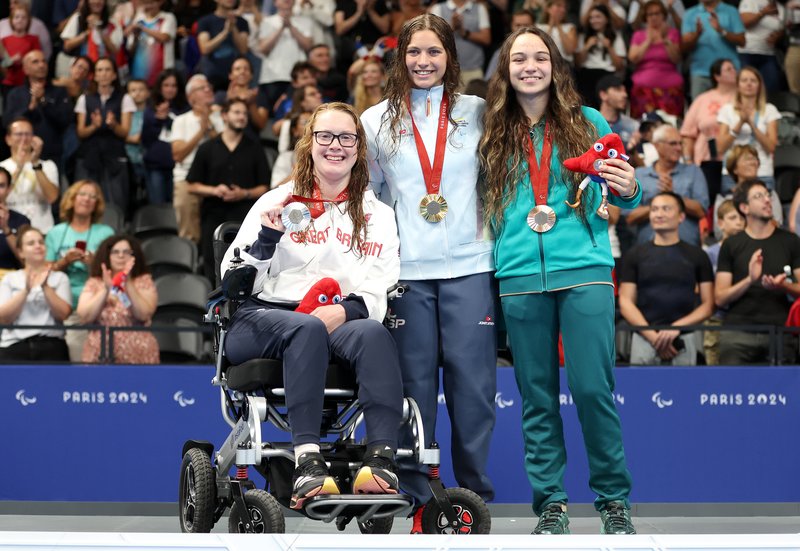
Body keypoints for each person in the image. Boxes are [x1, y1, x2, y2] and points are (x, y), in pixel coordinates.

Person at [479, 26, 639, 535]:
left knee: (593, 390)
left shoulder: (586, 120)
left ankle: (614, 502)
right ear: (505, 68)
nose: (530, 66)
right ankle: (551, 505)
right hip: (520, 276)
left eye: (540, 57)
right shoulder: (491, 131)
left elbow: (623, 186)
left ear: (555, 66)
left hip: (585, 270)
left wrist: (631, 186)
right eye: (519, 57)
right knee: (538, 398)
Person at [221, 102, 403, 510]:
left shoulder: (379, 215)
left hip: (339, 315)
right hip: (265, 317)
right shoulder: (279, 201)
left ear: (359, 149)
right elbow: (232, 278)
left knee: (373, 332)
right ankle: (307, 461)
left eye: (346, 137)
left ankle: (380, 461)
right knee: (307, 328)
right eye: (325, 136)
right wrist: (267, 238)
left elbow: (384, 280)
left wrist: (349, 310)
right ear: (309, 143)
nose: (335, 145)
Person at [360, 14, 496, 532]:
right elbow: (368, 196)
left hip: (470, 266)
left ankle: (469, 498)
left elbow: (496, 181)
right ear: (400, 57)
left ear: (450, 58)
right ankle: (418, 500)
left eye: (434, 52)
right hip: (407, 272)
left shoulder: (477, 112)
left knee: (475, 388)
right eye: (414, 52)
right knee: (412, 388)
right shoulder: (375, 121)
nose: (423, 62)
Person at [619, 192, 714, 365]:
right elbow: (625, 301)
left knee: (686, 391)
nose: (659, 214)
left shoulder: (698, 255)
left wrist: (676, 328)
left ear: (681, 217)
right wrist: (653, 336)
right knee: (640, 391)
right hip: (644, 339)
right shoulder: (635, 254)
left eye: (666, 209)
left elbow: (708, 305)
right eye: (654, 209)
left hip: (685, 338)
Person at [715, 179, 800, 364]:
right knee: (731, 389)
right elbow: (720, 297)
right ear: (744, 208)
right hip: (738, 330)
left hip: (780, 328)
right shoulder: (731, 245)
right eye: (758, 196)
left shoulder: (790, 241)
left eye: (767, 195)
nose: (767, 200)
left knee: (785, 389)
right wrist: (749, 279)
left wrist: (783, 286)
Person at [186, 98, 270, 281]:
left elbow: (264, 187)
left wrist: (244, 193)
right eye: (237, 112)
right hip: (213, 214)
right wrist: (214, 190)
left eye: (245, 114)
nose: (242, 117)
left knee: (245, 260)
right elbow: (191, 185)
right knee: (211, 260)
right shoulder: (207, 148)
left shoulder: (255, 148)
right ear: (224, 115)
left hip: (245, 215)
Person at [46, 180, 115, 361]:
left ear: (97, 204)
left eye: (93, 197)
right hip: (64, 306)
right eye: (83, 194)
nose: (87, 199)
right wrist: (65, 261)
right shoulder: (56, 232)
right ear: (72, 199)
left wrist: (93, 264)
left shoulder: (105, 233)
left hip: (97, 306)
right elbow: (44, 272)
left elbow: (114, 273)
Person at [77, 233, 159, 364]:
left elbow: (143, 314)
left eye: (126, 252)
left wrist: (128, 283)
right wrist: (105, 290)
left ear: (134, 256)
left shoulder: (143, 281)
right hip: (99, 355)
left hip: (139, 356)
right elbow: (85, 316)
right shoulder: (95, 283)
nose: (121, 256)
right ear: (107, 256)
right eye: (115, 252)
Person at [624, 124, 709, 246]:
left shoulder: (693, 172)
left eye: (681, 143)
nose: (679, 148)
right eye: (673, 144)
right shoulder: (640, 175)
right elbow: (629, 217)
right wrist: (659, 204)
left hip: (687, 249)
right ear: (657, 146)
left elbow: (701, 211)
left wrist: (674, 195)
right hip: (647, 250)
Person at [0, 225, 72, 361]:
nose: (38, 246)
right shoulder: (10, 279)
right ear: (20, 252)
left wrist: (45, 287)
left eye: (41, 242)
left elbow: (63, 314)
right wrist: (26, 291)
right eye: (31, 243)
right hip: (15, 346)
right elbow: (4, 318)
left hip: (52, 345)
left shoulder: (60, 278)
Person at [167, 74, 224, 242]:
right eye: (202, 88)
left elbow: (224, 150)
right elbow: (177, 155)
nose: (208, 90)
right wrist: (200, 132)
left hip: (214, 179)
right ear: (191, 97)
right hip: (186, 178)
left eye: (209, 87)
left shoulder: (221, 118)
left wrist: (209, 124)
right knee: (188, 233)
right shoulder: (181, 120)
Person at [74, 56, 134, 216]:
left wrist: (114, 125)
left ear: (114, 75)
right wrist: (94, 126)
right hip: (89, 158)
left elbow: (125, 132)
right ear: (95, 75)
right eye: (100, 70)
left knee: (116, 204)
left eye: (108, 70)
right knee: (87, 203)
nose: (104, 74)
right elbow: (80, 133)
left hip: (114, 157)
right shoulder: (84, 99)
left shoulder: (124, 98)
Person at [3, 50, 73, 172]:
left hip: (51, 154)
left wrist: (43, 102)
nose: (41, 65)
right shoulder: (15, 94)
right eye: (35, 62)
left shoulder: (59, 92)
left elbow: (65, 121)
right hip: (20, 153)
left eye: (44, 61)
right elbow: (7, 123)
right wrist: (29, 109)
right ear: (25, 69)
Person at [717, 65, 780, 193]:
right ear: (738, 85)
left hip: (762, 171)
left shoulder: (769, 110)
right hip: (732, 173)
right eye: (744, 80)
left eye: (753, 80)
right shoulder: (727, 110)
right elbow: (721, 147)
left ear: (759, 85)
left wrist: (751, 124)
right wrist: (740, 123)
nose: (749, 84)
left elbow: (771, 147)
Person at [702, 198, 744, 365]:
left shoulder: (750, 250)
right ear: (720, 223)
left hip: (742, 316)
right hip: (716, 318)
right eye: (733, 218)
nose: (739, 223)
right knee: (714, 369)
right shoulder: (710, 253)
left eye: (742, 218)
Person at [1, 117, 59, 233]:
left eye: (28, 134)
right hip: (10, 230)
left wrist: (35, 163)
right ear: (8, 139)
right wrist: (19, 167)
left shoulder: (47, 165)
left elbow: (52, 198)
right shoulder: (2, 167)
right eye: (19, 134)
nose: (24, 138)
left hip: (42, 229)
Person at [627, 0, 683, 118]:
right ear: (645, 17)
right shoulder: (639, 35)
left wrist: (666, 40)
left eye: (657, 13)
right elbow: (633, 58)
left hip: (670, 88)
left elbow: (676, 58)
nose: (654, 17)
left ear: (664, 16)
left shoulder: (673, 33)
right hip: (643, 88)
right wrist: (648, 41)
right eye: (650, 14)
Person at [141, 69, 188, 205]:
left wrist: (170, 119)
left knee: (176, 207)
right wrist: (158, 120)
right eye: (166, 85)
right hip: (156, 166)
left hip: (179, 167)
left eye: (174, 86)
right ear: (160, 87)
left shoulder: (185, 108)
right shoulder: (151, 107)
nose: (170, 89)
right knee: (158, 207)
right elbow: (145, 139)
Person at [681, 0, 745, 99]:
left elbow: (742, 41)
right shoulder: (690, 13)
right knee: (701, 112)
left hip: (728, 74)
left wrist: (721, 30)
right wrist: (697, 35)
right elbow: (685, 47)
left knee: (732, 111)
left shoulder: (731, 11)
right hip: (700, 73)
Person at [680, 58, 737, 168]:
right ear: (717, 76)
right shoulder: (703, 99)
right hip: (705, 159)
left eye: (734, 68)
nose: (734, 71)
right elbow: (687, 134)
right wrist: (688, 161)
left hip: (736, 157)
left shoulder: (743, 98)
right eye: (729, 69)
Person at [257, 0, 314, 109]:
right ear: (275, 3)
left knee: (296, 109)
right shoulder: (267, 21)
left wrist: (291, 27)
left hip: (298, 78)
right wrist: (282, 28)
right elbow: (263, 48)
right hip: (272, 76)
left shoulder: (305, 21)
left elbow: (308, 46)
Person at [429, 0, 492, 88]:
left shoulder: (479, 8)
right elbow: (432, 40)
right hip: (446, 70)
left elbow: (486, 39)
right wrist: (451, 28)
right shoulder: (438, 8)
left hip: (474, 69)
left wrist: (465, 33)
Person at [574, 4, 626, 109]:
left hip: (607, 75)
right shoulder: (584, 36)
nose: (594, 20)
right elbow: (577, 64)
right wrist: (586, 47)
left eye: (598, 17)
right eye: (591, 18)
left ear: (606, 19)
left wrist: (610, 48)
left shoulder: (615, 37)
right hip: (587, 74)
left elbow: (619, 66)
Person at [196, 0, 249, 91]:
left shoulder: (242, 22)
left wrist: (233, 28)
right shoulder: (205, 21)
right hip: (211, 76)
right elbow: (204, 48)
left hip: (235, 77)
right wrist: (225, 32)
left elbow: (243, 49)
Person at [123, 0, 177, 87]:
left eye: (151, 3)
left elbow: (164, 37)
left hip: (162, 71)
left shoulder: (167, 18)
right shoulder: (138, 19)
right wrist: (134, 35)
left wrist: (143, 28)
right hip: (139, 71)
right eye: (145, 3)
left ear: (160, 2)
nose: (148, 6)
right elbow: (130, 49)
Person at [737, 0, 785, 92]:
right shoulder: (750, 1)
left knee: (771, 89)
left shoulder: (781, 7)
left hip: (769, 53)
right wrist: (763, 12)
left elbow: (782, 28)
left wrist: (778, 36)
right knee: (746, 88)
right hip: (747, 52)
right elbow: (744, 23)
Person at [0, 3, 41, 90]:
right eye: (17, 17)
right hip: (8, 82)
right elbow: (2, 63)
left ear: (28, 20)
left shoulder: (33, 39)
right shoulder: (4, 40)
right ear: (11, 20)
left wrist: (25, 60)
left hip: (27, 82)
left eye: (23, 17)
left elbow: (38, 59)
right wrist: (11, 61)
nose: (20, 20)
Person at [0, 166, 30, 275]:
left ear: (9, 189)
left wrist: (6, 229)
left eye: (1, 186)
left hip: (12, 279)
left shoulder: (21, 220)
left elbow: (26, 260)